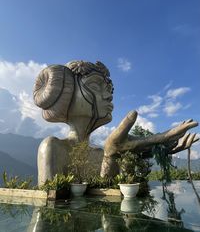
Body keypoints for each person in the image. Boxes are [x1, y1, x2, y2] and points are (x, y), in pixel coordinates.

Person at [33, 60, 198, 184]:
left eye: (110, 90)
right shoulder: (53, 147)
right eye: (96, 86)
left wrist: (154, 149)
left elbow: (106, 194)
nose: (109, 96)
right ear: (67, 93)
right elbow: (48, 208)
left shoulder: (99, 154)